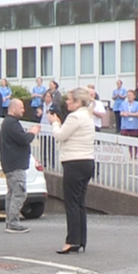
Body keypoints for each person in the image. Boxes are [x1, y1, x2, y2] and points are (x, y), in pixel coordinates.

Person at [48, 88, 96, 254]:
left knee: (71, 203)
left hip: (74, 162)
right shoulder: (88, 116)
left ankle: (72, 240)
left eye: (69, 100)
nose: (66, 102)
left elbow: (60, 135)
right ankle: (81, 239)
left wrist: (54, 123)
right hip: (87, 161)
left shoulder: (75, 116)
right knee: (80, 203)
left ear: (77, 102)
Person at [0, 99, 40, 233]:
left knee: (11, 193)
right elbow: (24, 140)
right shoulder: (12, 124)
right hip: (16, 165)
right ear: (13, 108)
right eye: (21, 108)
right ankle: (13, 222)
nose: (23, 110)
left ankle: (10, 221)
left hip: (10, 163)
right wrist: (32, 132)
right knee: (19, 193)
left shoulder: (8, 123)